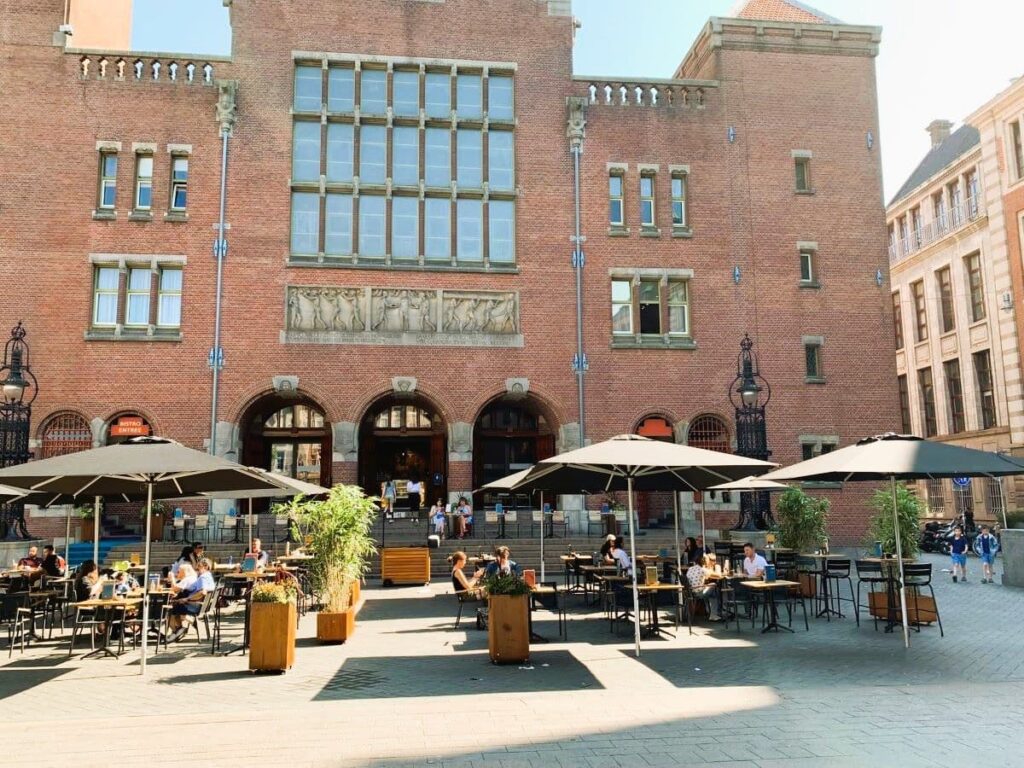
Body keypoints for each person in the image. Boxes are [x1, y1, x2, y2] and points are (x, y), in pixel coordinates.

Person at [164, 558, 214, 642]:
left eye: (199, 567)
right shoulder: (208, 576)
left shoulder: (203, 577)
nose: (197, 569)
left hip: (196, 605)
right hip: (203, 606)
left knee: (170, 608)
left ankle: (178, 630)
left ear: (206, 566)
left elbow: (203, 592)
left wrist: (187, 599)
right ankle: (179, 630)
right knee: (176, 603)